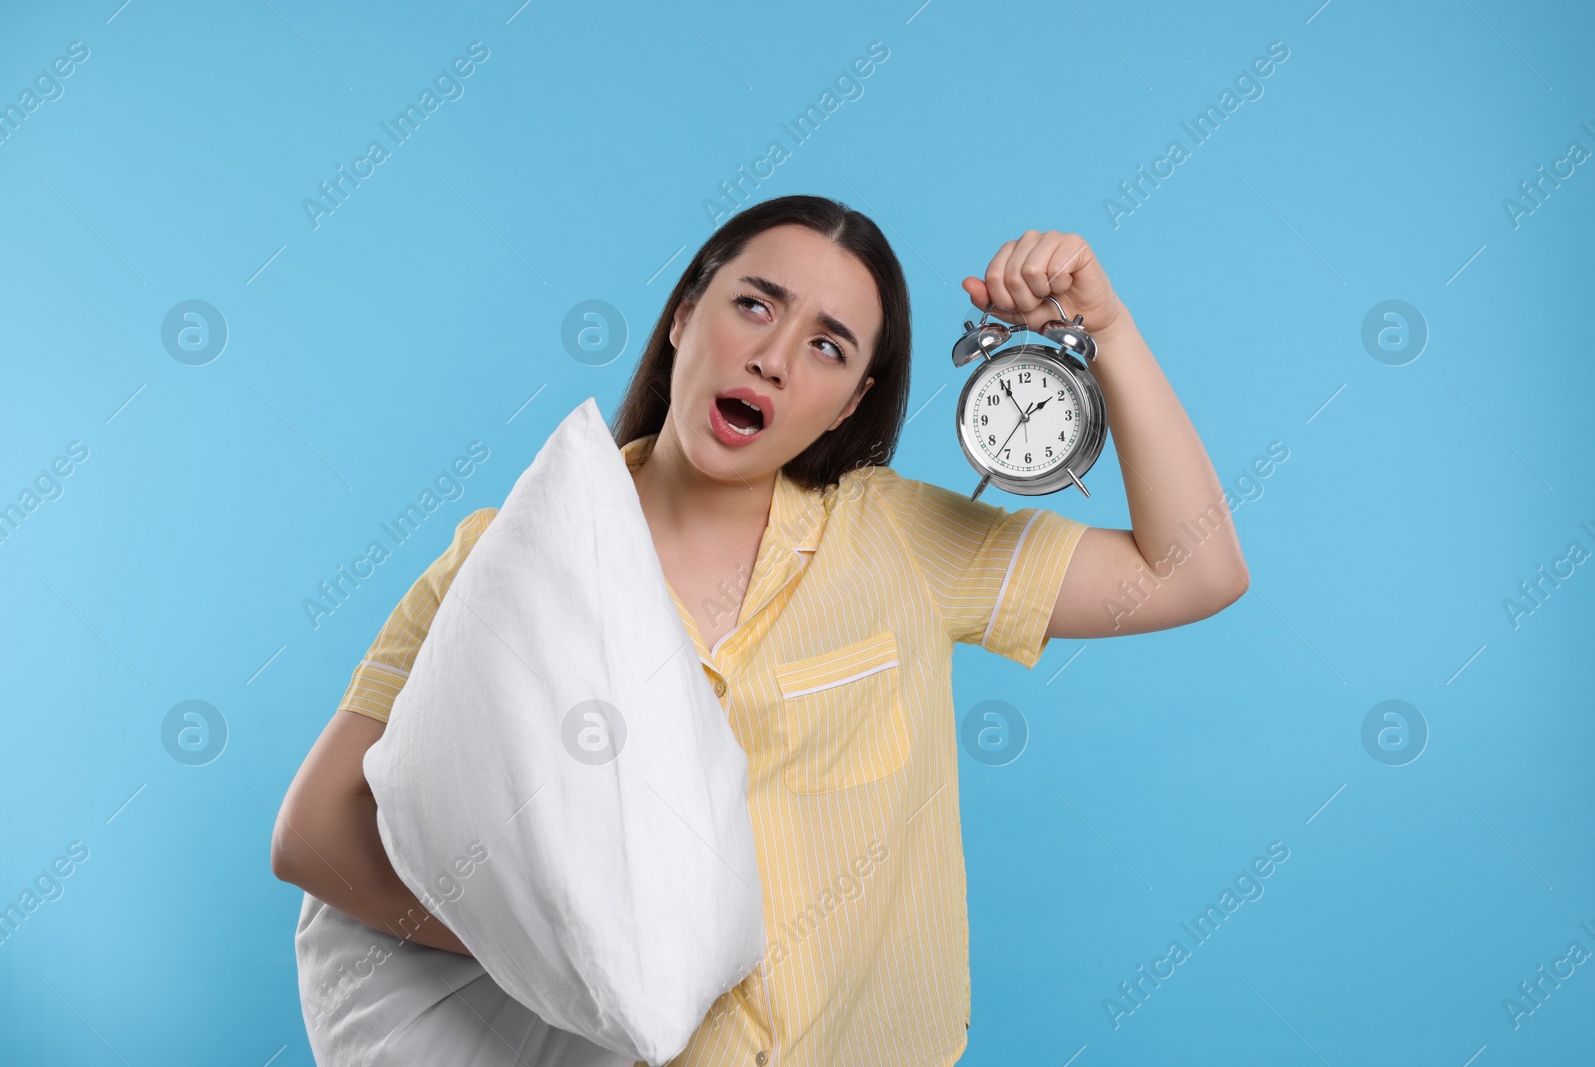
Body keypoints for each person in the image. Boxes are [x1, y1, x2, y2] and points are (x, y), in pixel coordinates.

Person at [271, 194, 1249, 1066]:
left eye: (828, 345)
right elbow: (313, 831)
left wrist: (1106, 333)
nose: (773, 356)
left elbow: (1193, 569)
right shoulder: (507, 556)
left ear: (849, 406)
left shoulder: (902, 540)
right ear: (684, 315)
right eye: (754, 303)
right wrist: (563, 952)